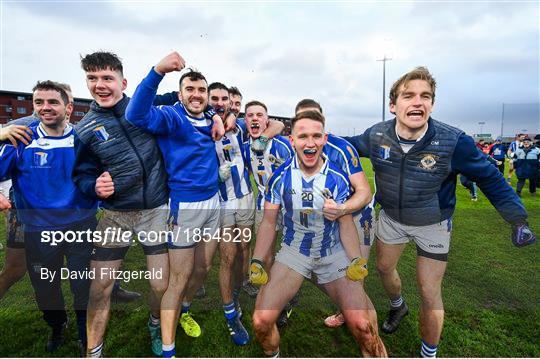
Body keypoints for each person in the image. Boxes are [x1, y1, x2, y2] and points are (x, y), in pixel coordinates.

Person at [343, 66, 536, 358]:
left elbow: (490, 177)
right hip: (392, 220)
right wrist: (301, 132)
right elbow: (343, 145)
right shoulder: (377, 134)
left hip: (433, 223)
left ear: (432, 104)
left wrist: (517, 220)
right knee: (383, 269)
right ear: (393, 105)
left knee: (429, 291)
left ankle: (428, 354)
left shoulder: (453, 141)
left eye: (426, 96)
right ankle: (398, 306)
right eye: (408, 95)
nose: (418, 101)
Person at [250, 110, 387, 358]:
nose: (310, 142)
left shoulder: (337, 177)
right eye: (303, 136)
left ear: (324, 138)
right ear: (292, 140)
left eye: (316, 136)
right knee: (260, 321)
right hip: (294, 253)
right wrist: (258, 260)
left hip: (332, 253)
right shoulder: (279, 179)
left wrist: (356, 259)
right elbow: (269, 223)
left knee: (363, 327)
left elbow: (346, 221)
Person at [72, 51, 179, 357]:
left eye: (107, 78)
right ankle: (93, 352)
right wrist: (93, 185)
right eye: (92, 78)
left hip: (155, 212)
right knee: (100, 287)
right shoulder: (86, 128)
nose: (100, 85)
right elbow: (81, 174)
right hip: (115, 215)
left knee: (160, 286)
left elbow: (191, 99)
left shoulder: (145, 107)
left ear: (123, 82)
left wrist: (221, 117)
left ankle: (156, 322)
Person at [125, 51, 225, 358]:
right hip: (184, 208)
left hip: (214, 203)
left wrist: (221, 115)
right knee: (178, 278)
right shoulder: (171, 117)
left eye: (201, 90)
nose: (197, 95)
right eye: (190, 90)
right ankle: (166, 345)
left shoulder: (209, 117)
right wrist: (157, 71)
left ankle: (183, 310)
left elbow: (228, 114)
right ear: (180, 95)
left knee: (204, 267)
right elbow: (135, 114)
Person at [0, 81, 97, 355]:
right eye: (39, 102)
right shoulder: (20, 139)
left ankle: (83, 334)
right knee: (45, 287)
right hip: (38, 230)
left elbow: (100, 176)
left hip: (81, 225)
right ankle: (57, 325)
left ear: (68, 107)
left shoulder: (83, 140)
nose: (45, 108)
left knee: (83, 285)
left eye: (52, 102)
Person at [293, 99, 375, 329]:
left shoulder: (341, 148)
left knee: (355, 274)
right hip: (330, 221)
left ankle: (367, 329)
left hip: (359, 216)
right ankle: (347, 311)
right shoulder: (296, 148)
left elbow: (364, 192)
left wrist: (341, 210)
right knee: (322, 272)